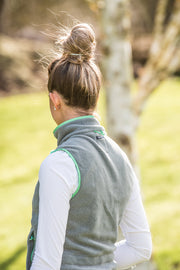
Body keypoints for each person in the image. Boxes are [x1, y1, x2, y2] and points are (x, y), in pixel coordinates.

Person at [26, 23, 152, 270]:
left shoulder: (59, 164)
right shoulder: (120, 158)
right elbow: (140, 247)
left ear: (54, 100)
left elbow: (46, 263)